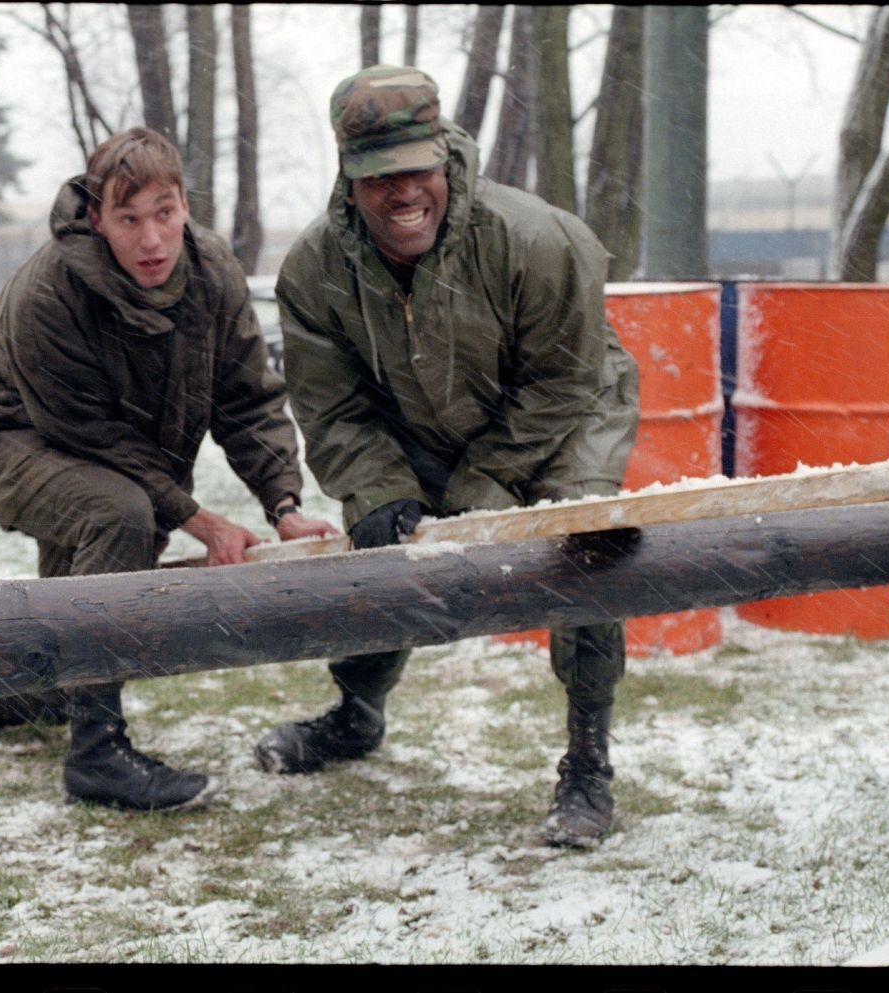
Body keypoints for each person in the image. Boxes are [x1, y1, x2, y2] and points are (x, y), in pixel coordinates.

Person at [261, 66, 640, 847]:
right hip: (420, 420)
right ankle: (356, 712)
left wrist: (487, 484)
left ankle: (587, 762)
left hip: (562, 416)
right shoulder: (314, 272)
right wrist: (376, 487)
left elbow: (563, 379)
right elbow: (330, 405)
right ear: (349, 179)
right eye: (378, 179)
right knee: (379, 553)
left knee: (585, 554)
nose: (403, 195)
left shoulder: (538, 239)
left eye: (415, 172)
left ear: (445, 158)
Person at [0, 127, 339, 812]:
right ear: (98, 219)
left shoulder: (213, 274)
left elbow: (247, 398)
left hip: (120, 446)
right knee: (119, 515)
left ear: (185, 204)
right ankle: (97, 753)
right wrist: (197, 518)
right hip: (15, 435)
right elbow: (83, 432)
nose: (151, 239)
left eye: (164, 213)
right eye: (129, 219)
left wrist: (283, 503)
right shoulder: (48, 291)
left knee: (97, 572)